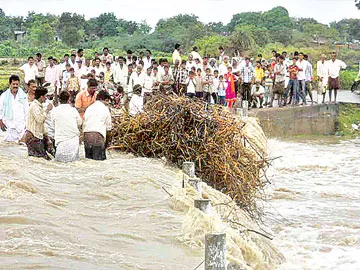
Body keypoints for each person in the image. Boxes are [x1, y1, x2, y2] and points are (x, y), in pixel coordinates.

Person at [51, 91, 82, 163]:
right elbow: (79, 123)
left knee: (60, 165)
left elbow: (53, 126)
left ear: (59, 99)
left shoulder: (54, 111)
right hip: (73, 141)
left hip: (60, 141)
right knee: (74, 164)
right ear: (69, 99)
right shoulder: (73, 110)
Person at [24, 87, 53, 159]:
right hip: (33, 137)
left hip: (38, 136)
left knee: (42, 160)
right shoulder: (34, 105)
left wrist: (47, 137)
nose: (46, 98)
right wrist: (47, 110)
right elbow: (40, 119)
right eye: (45, 96)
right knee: (40, 159)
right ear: (41, 96)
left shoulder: (39, 105)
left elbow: (42, 124)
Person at [83, 90, 112, 161]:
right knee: (100, 164)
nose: (107, 103)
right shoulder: (105, 109)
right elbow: (109, 129)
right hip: (98, 137)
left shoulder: (89, 108)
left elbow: (84, 123)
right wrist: (106, 144)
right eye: (107, 101)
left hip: (86, 137)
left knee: (89, 162)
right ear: (104, 100)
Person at [0, 75, 29, 142]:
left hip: (21, 126)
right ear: (10, 84)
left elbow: (26, 111)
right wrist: (0, 121)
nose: (15, 86)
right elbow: (0, 109)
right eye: (13, 84)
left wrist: (26, 125)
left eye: (17, 84)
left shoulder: (23, 96)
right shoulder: (4, 96)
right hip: (8, 126)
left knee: (21, 147)